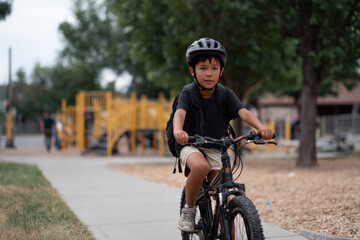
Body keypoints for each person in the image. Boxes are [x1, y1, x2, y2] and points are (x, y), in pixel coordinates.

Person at [174, 37, 274, 232]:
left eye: (214, 68)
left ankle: (226, 225)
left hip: (215, 146)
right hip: (191, 144)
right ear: (192, 71)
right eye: (203, 68)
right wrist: (179, 131)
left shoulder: (225, 93)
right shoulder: (188, 92)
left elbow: (243, 112)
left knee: (226, 196)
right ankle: (189, 210)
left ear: (221, 71)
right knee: (201, 166)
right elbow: (180, 113)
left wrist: (261, 128)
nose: (209, 73)